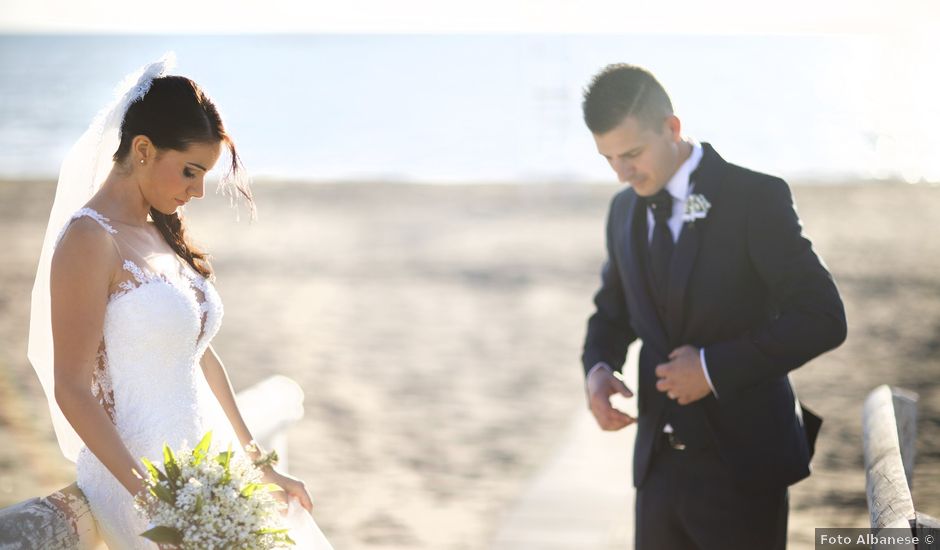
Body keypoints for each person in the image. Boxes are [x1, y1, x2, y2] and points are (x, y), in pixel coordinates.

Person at [28, 56, 332, 549]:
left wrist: (257, 465)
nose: (198, 191)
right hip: (141, 482)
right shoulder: (89, 240)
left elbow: (199, 357)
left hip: (202, 470)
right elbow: (71, 388)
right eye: (190, 172)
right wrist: (155, 501)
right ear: (143, 150)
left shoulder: (157, 233)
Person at [580, 64, 847, 549]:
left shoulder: (755, 198)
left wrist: (711, 368)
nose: (622, 172)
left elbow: (823, 317)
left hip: (743, 471)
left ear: (672, 128)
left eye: (633, 154)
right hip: (656, 473)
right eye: (609, 158)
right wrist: (598, 368)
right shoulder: (622, 211)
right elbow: (612, 313)